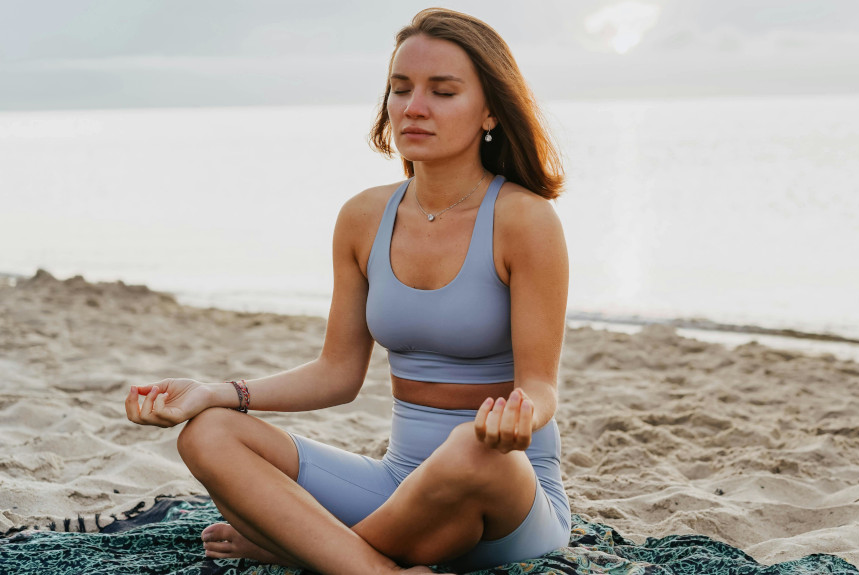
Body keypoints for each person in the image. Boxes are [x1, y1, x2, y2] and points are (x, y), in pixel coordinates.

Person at [123, 8, 570, 574]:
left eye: (443, 91)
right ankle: (370, 565)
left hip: (507, 494)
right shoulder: (363, 217)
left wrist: (521, 415)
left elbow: (540, 384)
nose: (414, 106)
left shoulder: (526, 220)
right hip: (396, 486)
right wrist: (218, 392)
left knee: (470, 449)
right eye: (400, 88)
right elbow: (336, 374)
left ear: (489, 111)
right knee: (208, 434)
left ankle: (314, 550)